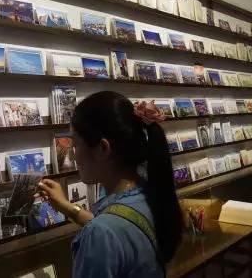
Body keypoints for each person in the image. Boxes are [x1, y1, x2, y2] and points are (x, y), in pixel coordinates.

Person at [37, 91, 183, 277]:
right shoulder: (150, 194)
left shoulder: (99, 234)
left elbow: (105, 231)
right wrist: (67, 207)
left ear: (102, 148)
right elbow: (117, 226)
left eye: (76, 144)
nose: (72, 155)